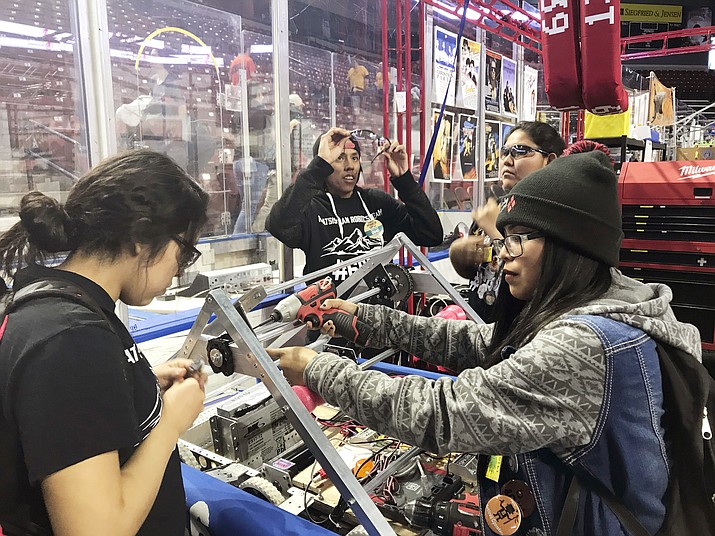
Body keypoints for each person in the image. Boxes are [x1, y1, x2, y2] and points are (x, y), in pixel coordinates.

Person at [270, 151, 702, 535]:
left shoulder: (583, 344)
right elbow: (477, 341)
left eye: (517, 238)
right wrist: (364, 319)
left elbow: (442, 414)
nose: (502, 253)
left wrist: (317, 369)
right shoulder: (605, 299)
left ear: (567, 244)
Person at [0, 149, 209, 535]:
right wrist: (171, 423)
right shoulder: (70, 338)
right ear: (141, 237)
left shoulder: (57, 304)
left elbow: (68, 417)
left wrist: (134, 383)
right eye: (184, 253)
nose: (179, 271)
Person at [265, 128, 443, 283]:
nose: (350, 166)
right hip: (329, 317)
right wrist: (317, 168)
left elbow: (431, 235)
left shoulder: (378, 203)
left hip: (377, 314)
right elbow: (279, 226)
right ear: (324, 163)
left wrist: (405, 180)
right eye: (340, 158)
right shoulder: (311, 207)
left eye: (355, 158)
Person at [450, 121, 565, 321]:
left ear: (549, 160)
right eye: (505, 152)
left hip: (518, 337)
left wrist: (496, 232)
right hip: (478, 333)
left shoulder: (552, 218)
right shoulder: (493, 210)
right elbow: (481, 278)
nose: (507, 161)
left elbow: (542, 286)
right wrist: (461, 258)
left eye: (520, 151)